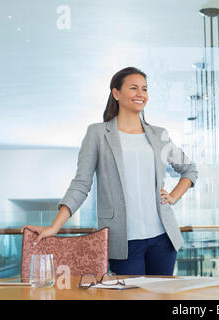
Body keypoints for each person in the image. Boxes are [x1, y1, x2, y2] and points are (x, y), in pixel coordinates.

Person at [21, 67, 198, 276]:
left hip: (163, 239)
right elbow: (81, 184)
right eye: (133, 88)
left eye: (144, 89)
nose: (141, 94)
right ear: (116, 93)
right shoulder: (97, 133)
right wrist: (54, 227)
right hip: (123, 241)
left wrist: (174, 196)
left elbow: (189, 169)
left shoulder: (159, 135)